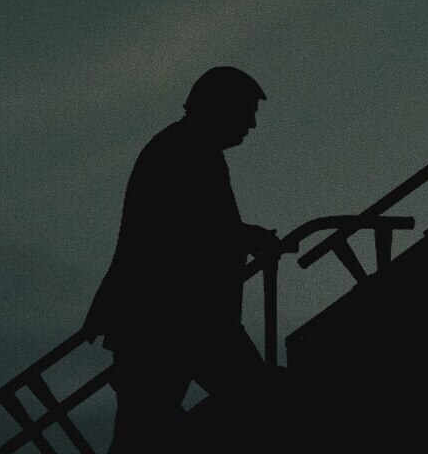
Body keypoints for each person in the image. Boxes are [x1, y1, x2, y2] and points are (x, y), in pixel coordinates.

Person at [83, 66, 282, 453]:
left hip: (167, 322)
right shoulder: (184, 151)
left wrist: (243, 236)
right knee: (256, 403)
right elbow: (185, 230)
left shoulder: (183, 147)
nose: (252, 124)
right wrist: (247, 236)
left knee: (143, 431)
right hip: (173, 321)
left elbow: (194, 227)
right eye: (246, 112)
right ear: (220, 107)